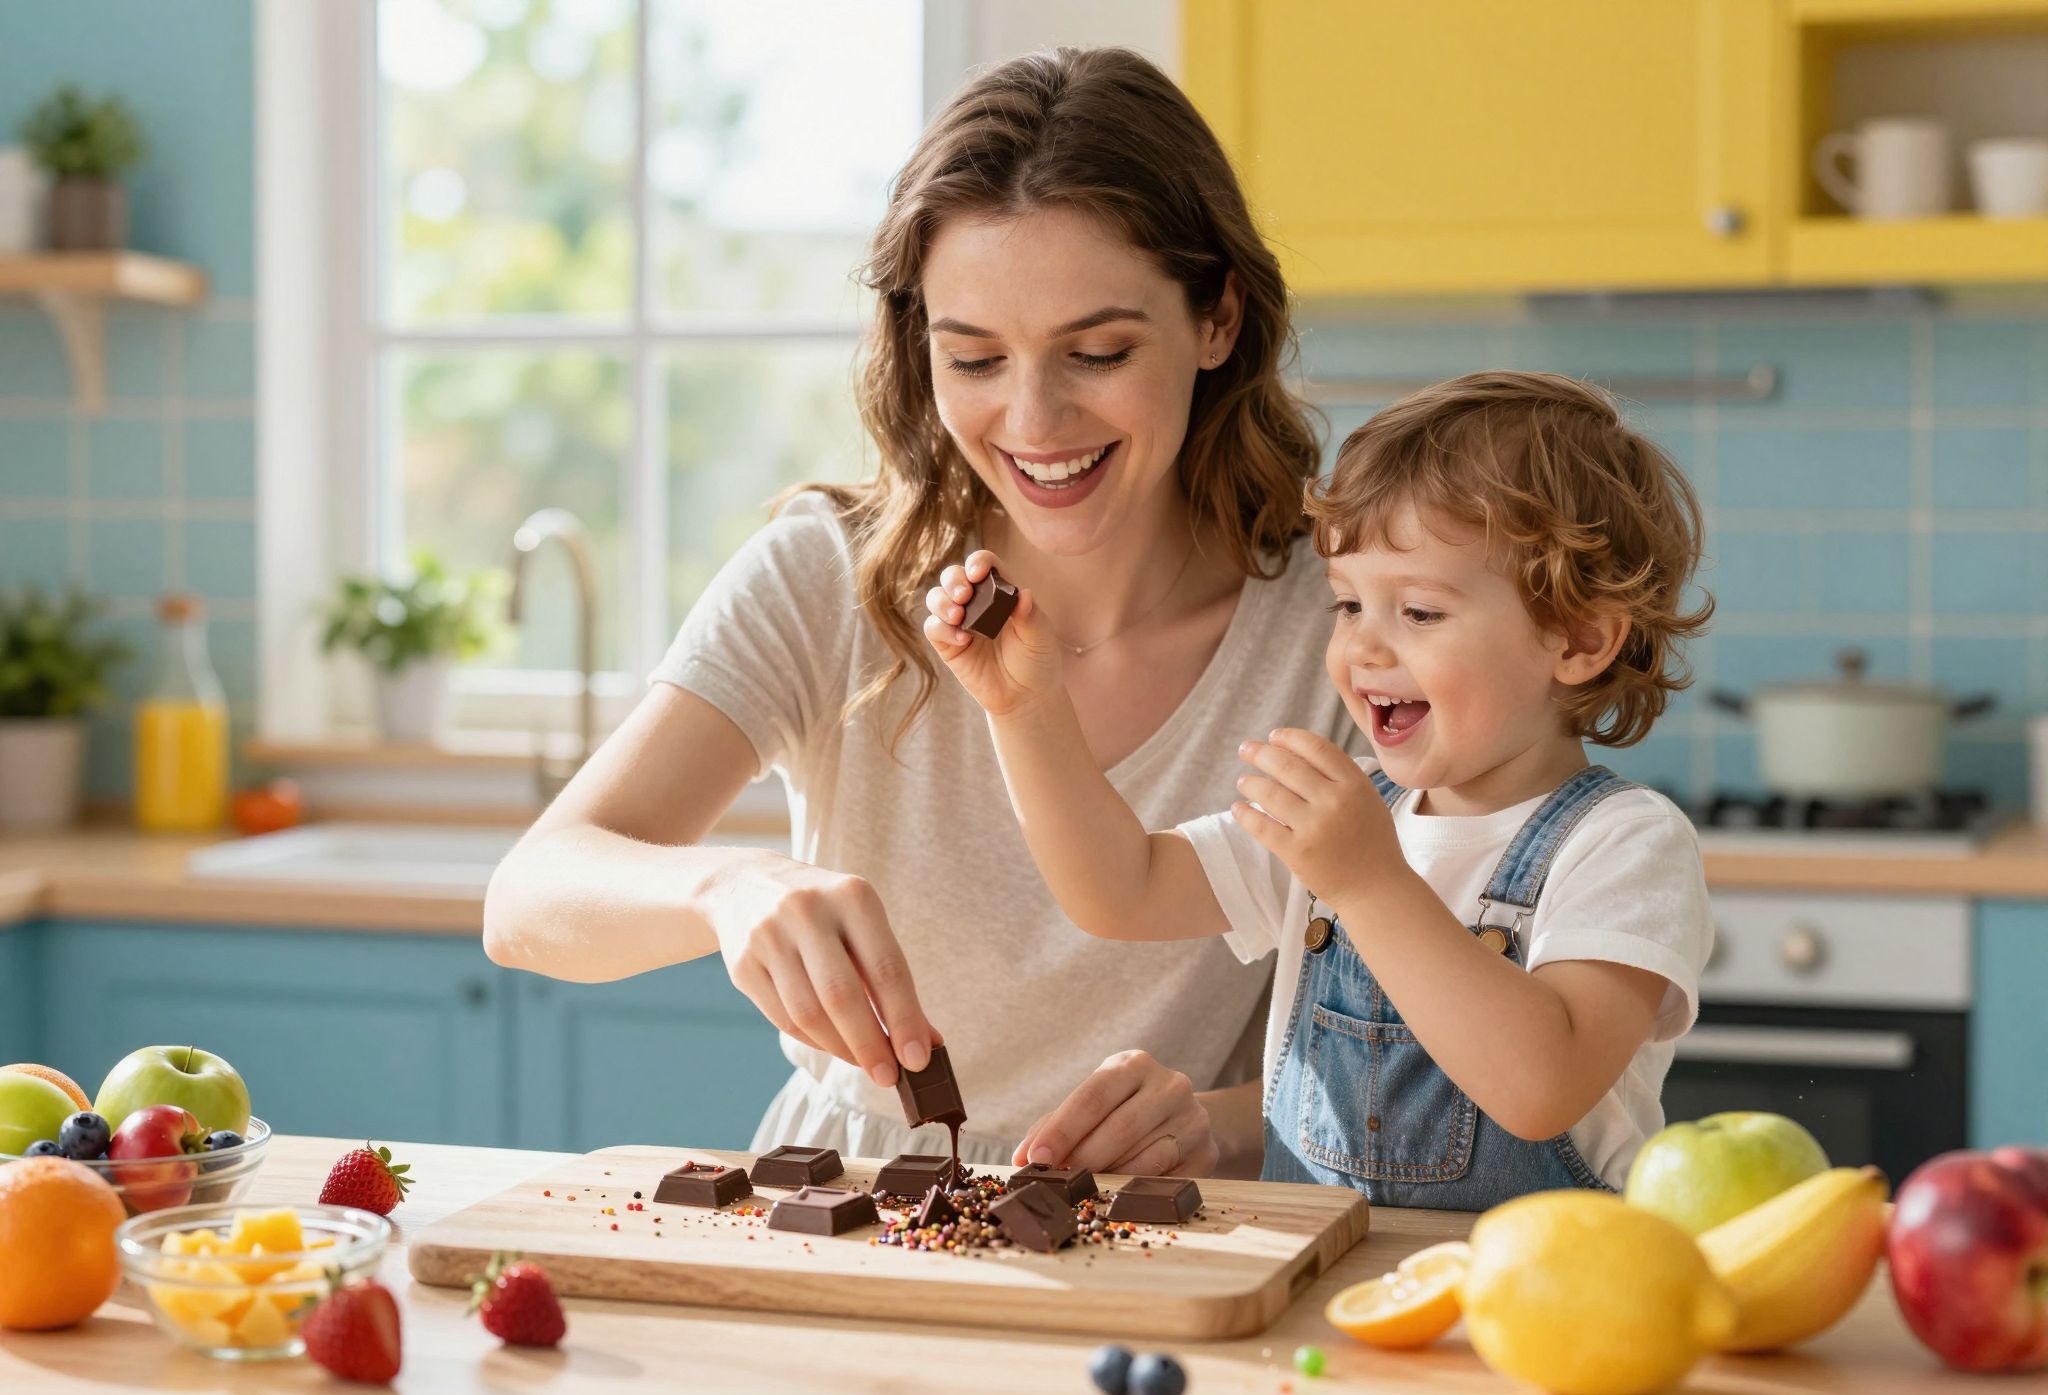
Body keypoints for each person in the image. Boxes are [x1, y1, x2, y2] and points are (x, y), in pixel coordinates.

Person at [483, 47, 1360, 1173]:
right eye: (975, 357)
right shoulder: (828, 578)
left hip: (1175, 1229)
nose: (1033, 418)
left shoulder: (1340, 628)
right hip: (846, 1200)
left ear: (1217, 321)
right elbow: (528, 899)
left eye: (1097, 352)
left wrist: (1223, 1118)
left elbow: (1419, 1036)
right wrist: (726, 887)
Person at [923, 371, 1716, 1207]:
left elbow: (1539, 1087)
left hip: (1533, 1312)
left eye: (1419, 613)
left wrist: (1369, 883)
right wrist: (1025, 708)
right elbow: (1121, 889)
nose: (1364, 650)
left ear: (1580, 638)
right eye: (1346, 606)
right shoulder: (1344, 821)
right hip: (1316, 1292)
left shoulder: (1624, 844)